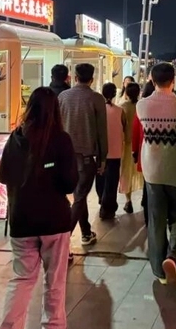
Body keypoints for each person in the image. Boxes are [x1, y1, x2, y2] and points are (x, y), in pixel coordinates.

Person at [0, 88, 78, 329]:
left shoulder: (16, 138)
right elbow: (69, 183)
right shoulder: (61, 139)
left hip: (21, 220)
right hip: (54, 221)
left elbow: (2, 176)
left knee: (22, 278)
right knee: (54, 279)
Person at [136, 63, 176, 286]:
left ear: (152, 80)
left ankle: (159, 272)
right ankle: (173, 257)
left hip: (153, 173)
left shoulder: (142, 105)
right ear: (173, 81)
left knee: (156, 220)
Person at [58, 63, 108, 247]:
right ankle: (64, 239)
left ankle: (86, 232)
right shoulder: (96, 98)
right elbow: (101, 131)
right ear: (92, 79)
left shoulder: (63, 97)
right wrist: (102, 158)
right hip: (86, 157)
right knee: (80, 197)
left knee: (80, 196)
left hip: (65, 156)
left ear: (75, 77)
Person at [96, 82, 126, 219]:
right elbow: (124, 128)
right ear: (114, 94)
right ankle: (109, 207)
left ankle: (102, 201)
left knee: (100, 179)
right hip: (116, 151)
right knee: (112, 181)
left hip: (101, 152)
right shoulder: (120, 111)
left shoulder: (98, 110)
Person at [132, 80, 156, 224]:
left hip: (144, 150)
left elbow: (135, 131)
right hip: (158, 153)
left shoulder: (141, 107)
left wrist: (134, 151)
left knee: (147, 183)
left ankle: (147, 214)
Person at [118, 82, 144, 214]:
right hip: (141, 144)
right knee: (142, 172)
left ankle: (128, 201)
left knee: (126, 172)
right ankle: (144, 199)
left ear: (126, 93)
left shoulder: (122, 107)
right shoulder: (142, 106)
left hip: (127, 144)